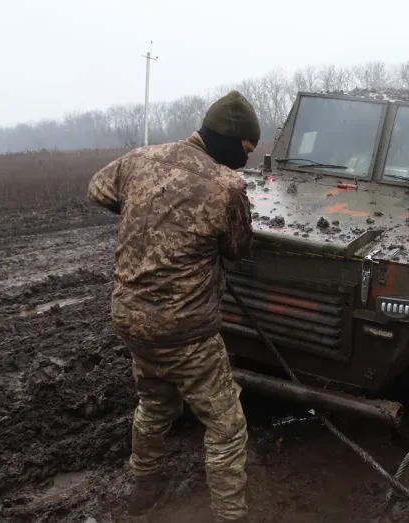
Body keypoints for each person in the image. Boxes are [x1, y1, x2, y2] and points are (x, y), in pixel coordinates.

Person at [87, 90, 260, 522]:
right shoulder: (226, 186)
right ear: (233, 140)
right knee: (226, 426)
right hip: (186, 331)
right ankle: (230, 516)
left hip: (131, 319)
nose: (248, 158)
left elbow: (97, 190)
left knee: (155, 404)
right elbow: (238, 250)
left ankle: (143, 493)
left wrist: (142, 212)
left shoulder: (139, 160)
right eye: (247, 149)